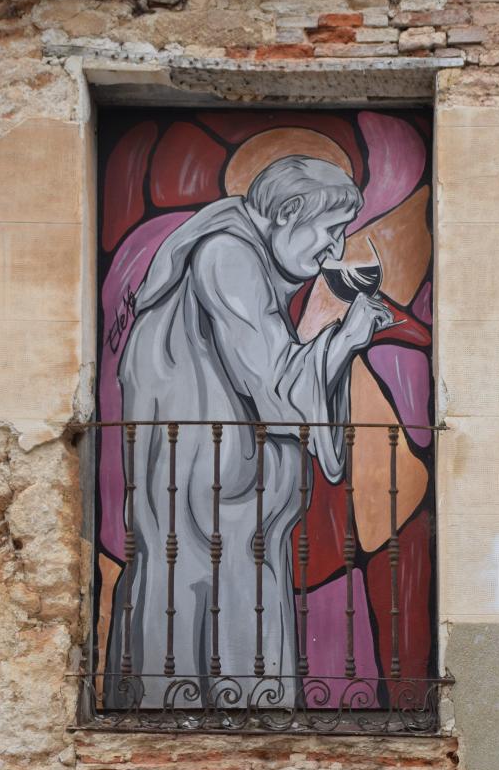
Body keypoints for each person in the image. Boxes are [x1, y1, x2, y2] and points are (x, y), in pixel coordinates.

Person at [105, 155, 392, 708]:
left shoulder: (236, 252)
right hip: (210, 497)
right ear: (288, 211)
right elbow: (274, 384)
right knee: (215, 608)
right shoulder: (228, 255)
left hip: (216, 496)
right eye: (331, 230)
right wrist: (346, 338)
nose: (334, 250)